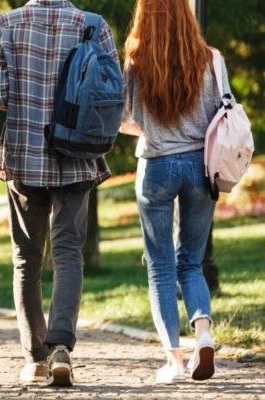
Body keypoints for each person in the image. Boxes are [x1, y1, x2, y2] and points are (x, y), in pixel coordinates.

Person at [0, 0, 120, 387]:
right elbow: (113, 93)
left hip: (24, 155)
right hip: (77, 154)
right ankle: (61, 346)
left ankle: (35, 358)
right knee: (67, 252)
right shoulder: (93, 25)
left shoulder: (5, 25)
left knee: (26, 259)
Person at [121, 0, 225, 384]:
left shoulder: (136, 60)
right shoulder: (211, 59)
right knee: (191, 263)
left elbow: (124, 118)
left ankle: (175, 362)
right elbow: (222, 114)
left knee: (161, 267)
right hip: (201, 167)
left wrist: (154, 128)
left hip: (156, 167)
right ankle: (203, 333)